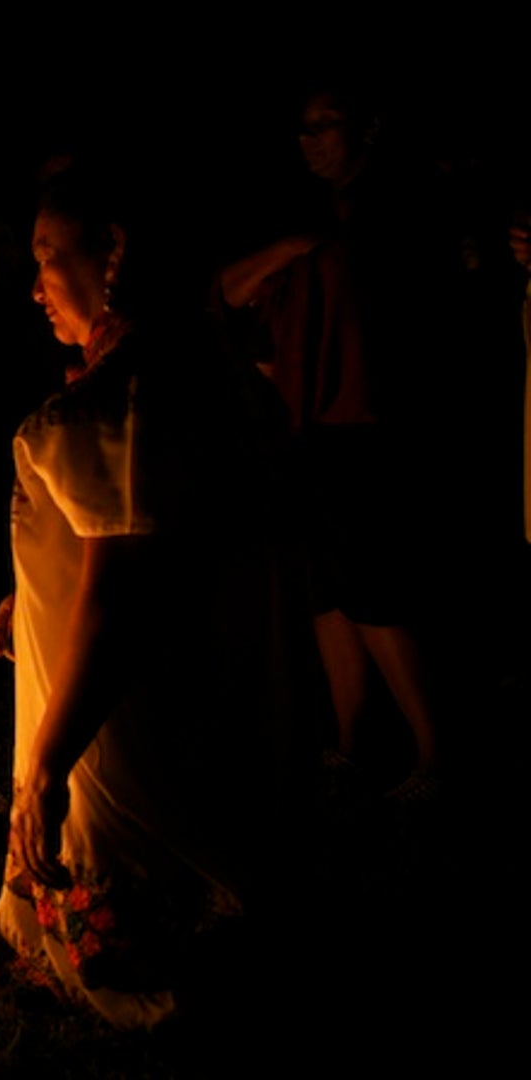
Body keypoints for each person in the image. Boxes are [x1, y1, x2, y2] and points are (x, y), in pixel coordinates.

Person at [0, 166, 304, 1030]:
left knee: (140, 881)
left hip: (131, 721)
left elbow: (121, 585)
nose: (35, 284)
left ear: (115, 252)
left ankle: (152, 983)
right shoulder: (193, 368)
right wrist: (29, 592)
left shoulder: (133, 396)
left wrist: (48, 767)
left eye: (49, 254)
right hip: (198, 684)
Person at [217, 86, 450, 801]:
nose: (309, 140)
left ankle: (439, 751)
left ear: (368, 130)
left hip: (365, 428)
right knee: (329, 594)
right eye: (303, 129)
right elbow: (229, 294)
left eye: (326, 126)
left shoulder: (395, 213)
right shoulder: (311, 220)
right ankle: (355, 740)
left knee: (373, 590)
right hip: (310, 428)